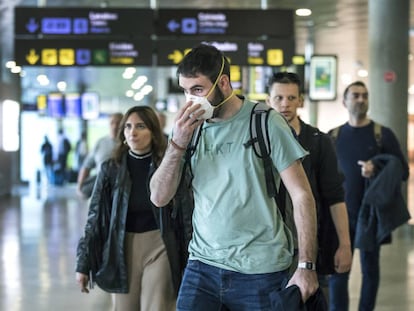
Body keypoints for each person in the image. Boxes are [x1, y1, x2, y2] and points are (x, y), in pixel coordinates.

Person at [149, 44, 319, 310]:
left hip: (261, 271)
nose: (190, 100)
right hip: (202, 266)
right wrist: (177, 144)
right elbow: (159, 197)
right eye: (185, 91)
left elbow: (301, 195)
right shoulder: (188, 130)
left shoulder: (265, 122)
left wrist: (306, 266)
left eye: (198, 90)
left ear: (224, 83)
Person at [75, 106, 179, 311]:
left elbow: (185, 211)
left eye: (140, 126)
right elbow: (95, 217)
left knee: (157, 305)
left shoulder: (167, 165)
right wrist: (83, 263)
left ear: (153, 132)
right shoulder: (110, 169)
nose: (133, 132)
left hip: (160, 245)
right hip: (122, 246)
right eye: (128, 127)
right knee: (124, 307)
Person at [266, 72, 352, 294]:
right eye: (279, 98)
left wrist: (344, 244)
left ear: (301, 101)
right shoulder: (259, 142)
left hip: (310, 246)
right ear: (268, 100)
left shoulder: (319, 142)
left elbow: (334, 196)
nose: (285, 104)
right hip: (267, 248)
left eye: (291, 98)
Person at [327, 81, 410, 311]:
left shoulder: (382, 135)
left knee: (370, 270)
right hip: (340, 216)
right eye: (355, 95)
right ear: (345, 102)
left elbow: (402, 171)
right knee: (339, 271)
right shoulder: (333, 136)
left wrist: (378, 167)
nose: (361, 99)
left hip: (370, 216)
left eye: (364, 95)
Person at [76, 112, 123, 198]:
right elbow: (87, 166)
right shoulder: (100, 143)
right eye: (112, 122)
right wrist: (79, 187)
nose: (115, 126)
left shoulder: (128, 144)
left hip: (121, 190)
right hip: (101, 190)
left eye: (118, 123)